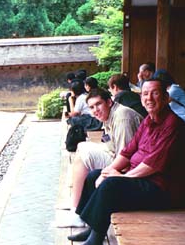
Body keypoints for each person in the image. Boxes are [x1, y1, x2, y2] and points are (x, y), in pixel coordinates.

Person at [65, 78, 185, 245]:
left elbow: (152, 165)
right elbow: (127, 151)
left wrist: (121, 177)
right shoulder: (149, 121)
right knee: (95, 175)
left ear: (165, 98)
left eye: (155, 93)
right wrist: (107, 171)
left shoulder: (173, 125)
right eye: (145, 94)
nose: (149, 98)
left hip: (164, 190)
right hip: (145, 179)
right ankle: (91, 226)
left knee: (111, 186)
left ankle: (95, 243)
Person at [57, 88, 143, 227]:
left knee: (85, 156)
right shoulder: (110, 114)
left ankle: (76, 212)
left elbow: (126, 155)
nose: (95, 110)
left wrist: (106, 173)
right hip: (115, 153)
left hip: (131, 164)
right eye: (91, 107)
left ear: (109, 102)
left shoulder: (122, 117)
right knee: (82, 147)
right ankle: (76, 198)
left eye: (98, 104)